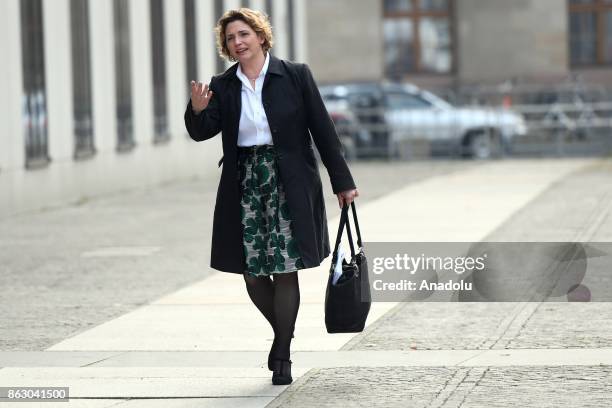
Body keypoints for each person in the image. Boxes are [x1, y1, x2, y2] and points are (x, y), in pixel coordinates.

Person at [184, 8, 358, 385]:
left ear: (261, 37)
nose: (238, 42)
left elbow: (323, 131)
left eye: (244, 34)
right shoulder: (223, 84)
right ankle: (285, 333)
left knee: (284, 267)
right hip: (244, 183)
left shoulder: (295, 75)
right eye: (231, 38)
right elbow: (203, 131)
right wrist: (197, 111)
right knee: (251, 272)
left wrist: (342, 182)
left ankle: (282, 352)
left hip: (288, 181)